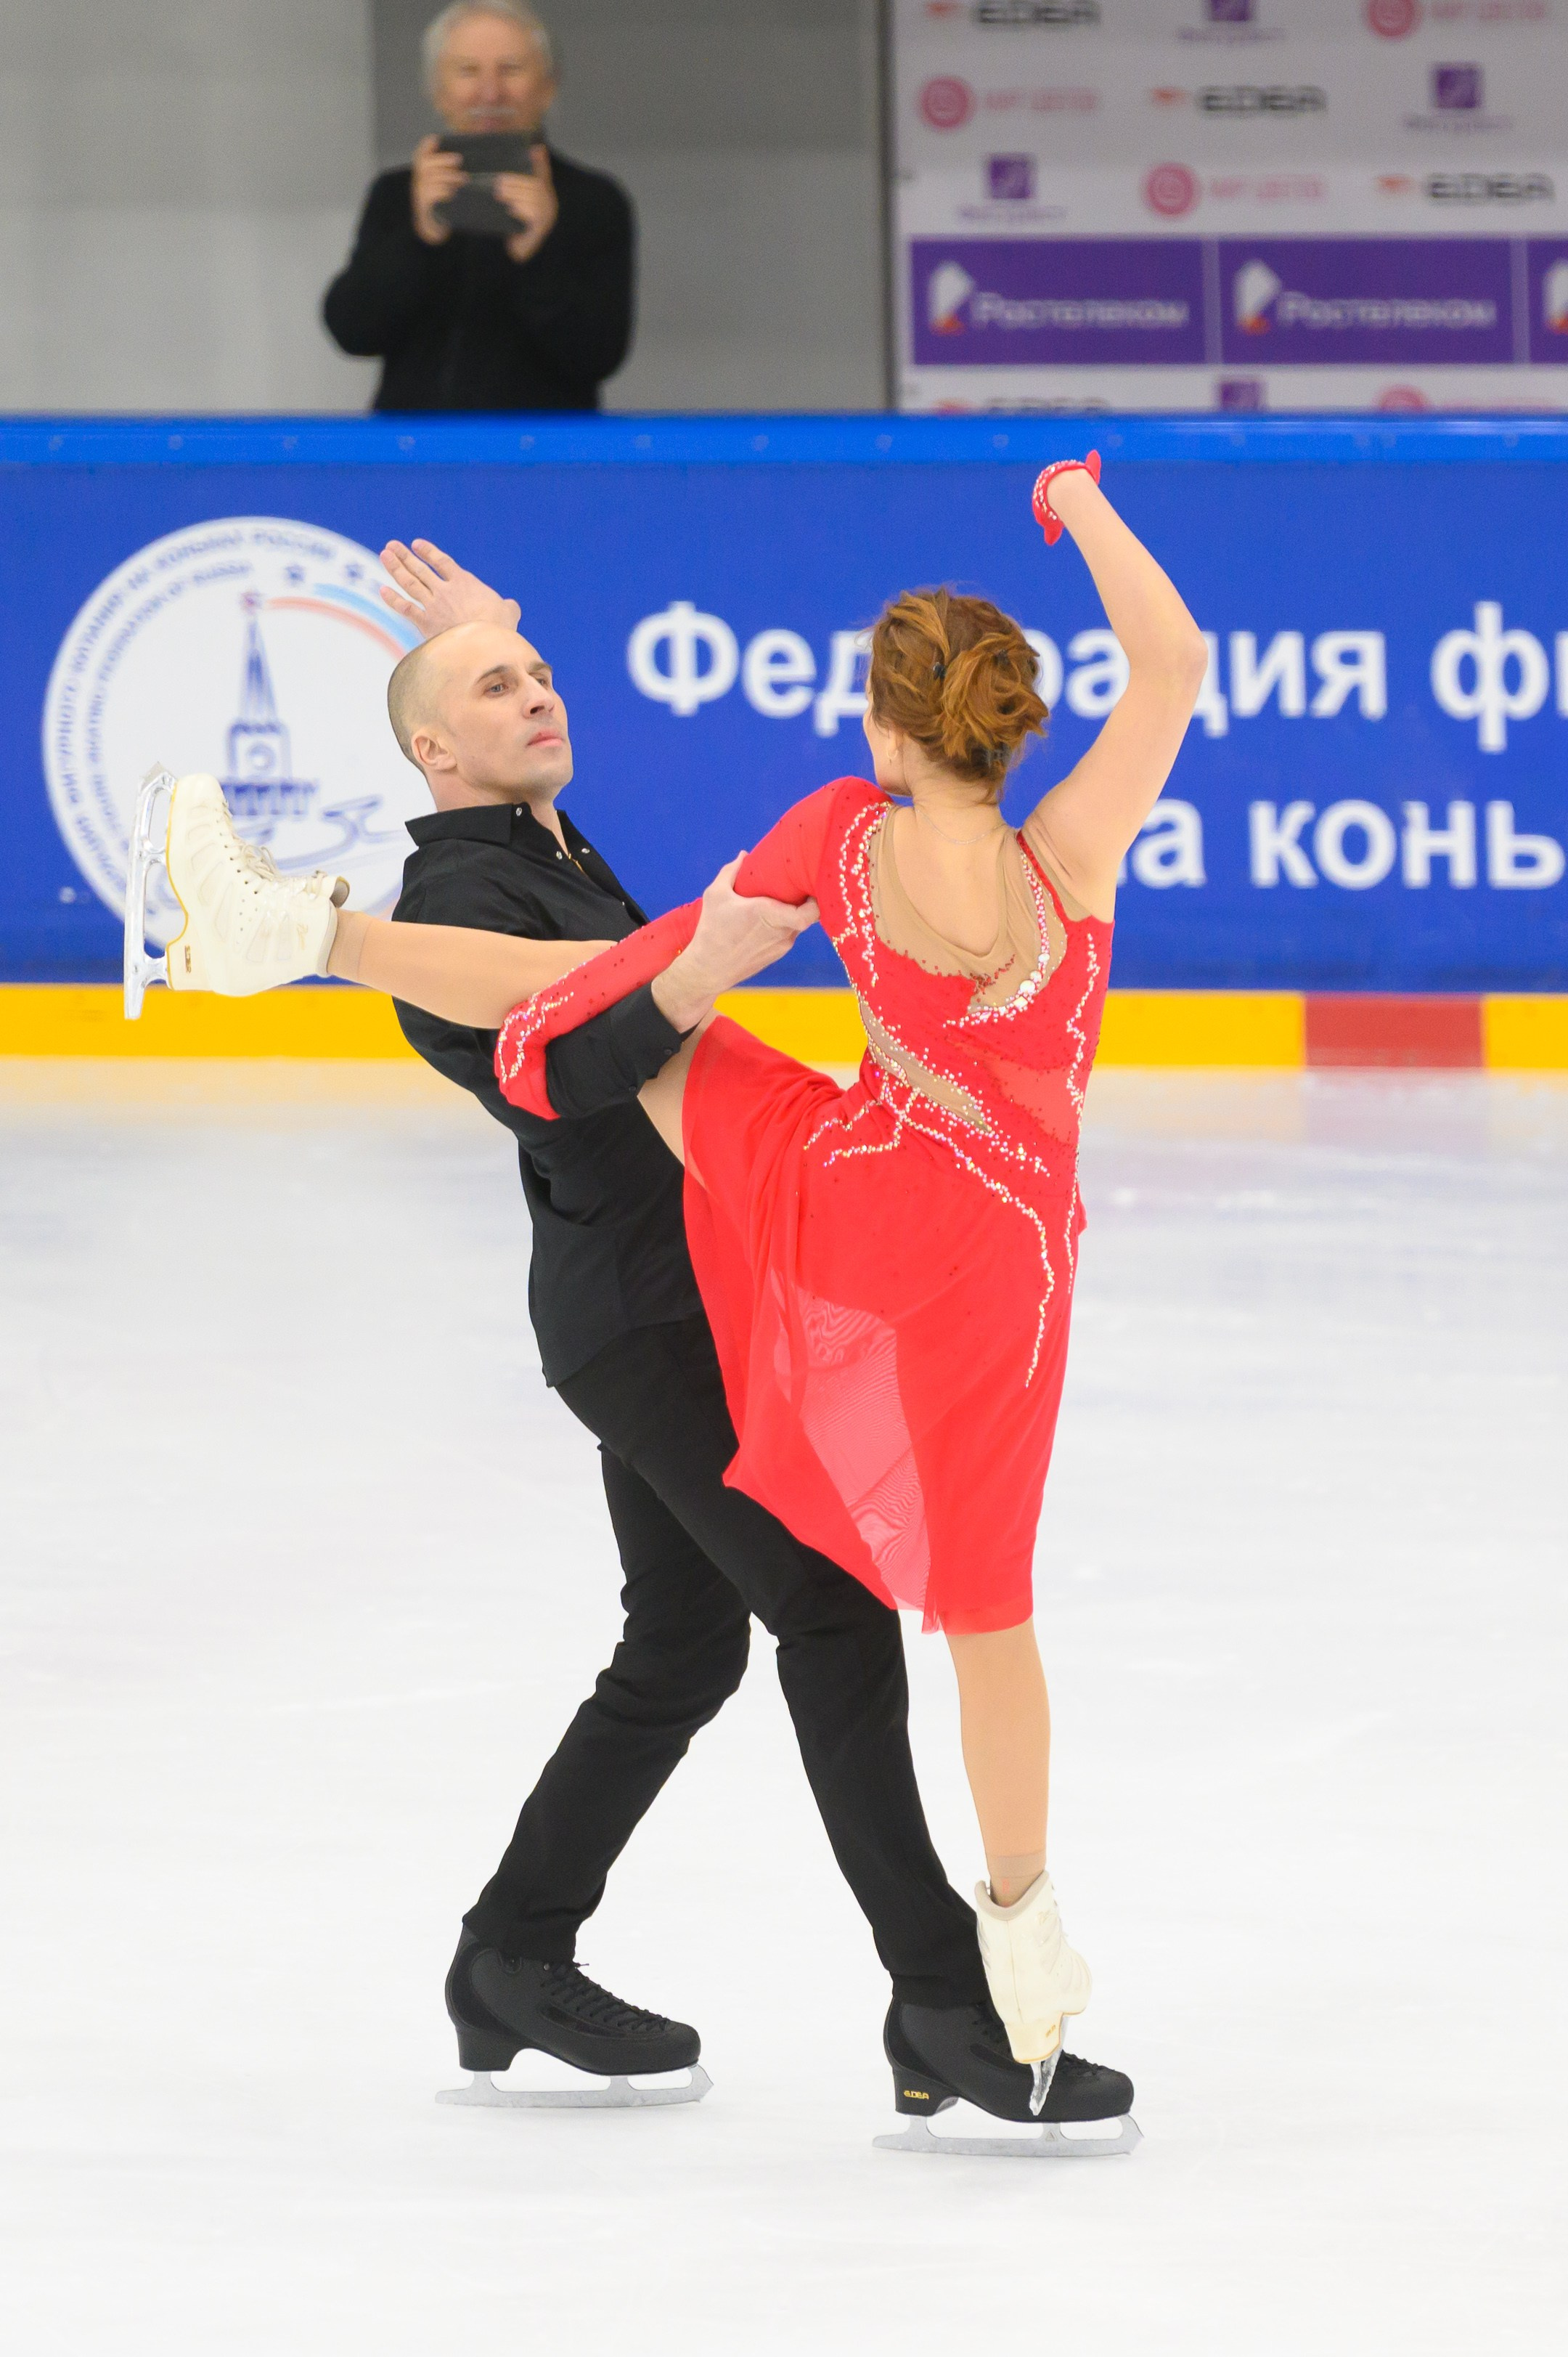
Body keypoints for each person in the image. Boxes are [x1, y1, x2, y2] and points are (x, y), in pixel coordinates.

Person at [151, 458, 1185, 2139]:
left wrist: (500, 662)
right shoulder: (465, 896)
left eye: (538, 669)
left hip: (769, 1236)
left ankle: (513, 1947)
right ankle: (948, 1993)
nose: (537, 688)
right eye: (502, 685)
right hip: (656, 1302)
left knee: (683, 1636)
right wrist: (1075, 500)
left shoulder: (757, 837)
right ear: (432, 750)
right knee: (842, 1617)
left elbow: (635, 950)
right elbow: (566, 1050)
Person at [323, 3, 632, 412]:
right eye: (468, 71)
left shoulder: (593, 200)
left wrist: (537, 254)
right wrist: (421, 238)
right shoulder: (398, 194)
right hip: (417, 457)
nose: (490, 93)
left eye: (511, 70)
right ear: (438, 91)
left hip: (542, 458)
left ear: (549, 86)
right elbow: (353, 332)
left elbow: (599, 354)